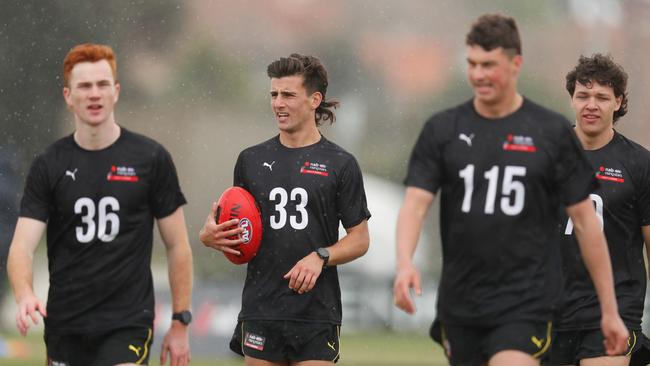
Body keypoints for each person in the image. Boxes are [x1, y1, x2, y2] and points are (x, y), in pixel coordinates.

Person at [392, 14, 628, 366]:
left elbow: (585, 223)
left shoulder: (549, 132)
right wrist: (404, 262)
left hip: (527, 302)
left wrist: (610, 310)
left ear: (515, 63)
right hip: (461, 304)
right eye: (472, 63)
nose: (479, 74)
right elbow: (414, 205)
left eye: (489, 64)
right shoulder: (442, 129)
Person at [7, 43, 193, 366]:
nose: (94, 94)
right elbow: (21, 247)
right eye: (84, 86)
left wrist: (181, 321)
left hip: (127, 323)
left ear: (116, 91)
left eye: (102, 84)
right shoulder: (48, 164)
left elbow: (178, 245)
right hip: (66, 324)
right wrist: (24, 294)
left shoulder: (151, 159)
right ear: (68, 96)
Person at [200, 53, 370, 366]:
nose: (279, 103)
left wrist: (321, 256)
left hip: (316, 312)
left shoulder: (340, 163)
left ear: (314, 99)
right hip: (261, 307)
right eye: (274, 94)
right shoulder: (250, 160)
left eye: (289, 95)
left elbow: (360, 239)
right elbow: (239, 236)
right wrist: (211, 237)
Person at [547, 54, 650, 365]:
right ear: (572, 100)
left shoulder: (639, 164)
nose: (591, 104)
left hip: (614, 313)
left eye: (602, 97)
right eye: (583, 95)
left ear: (617, 102)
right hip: (548, 314)